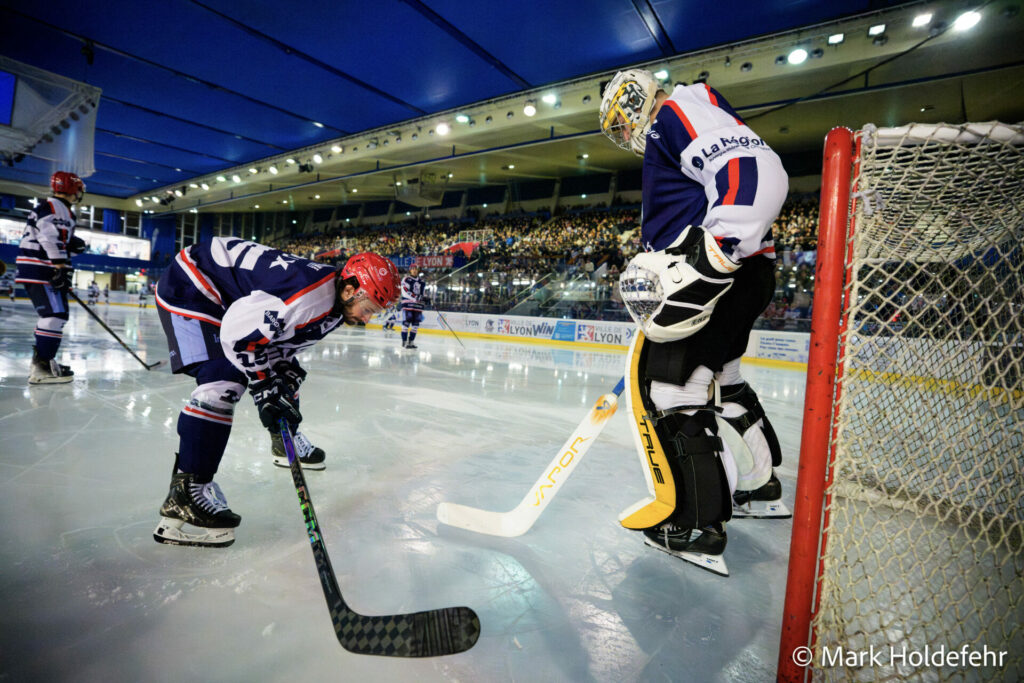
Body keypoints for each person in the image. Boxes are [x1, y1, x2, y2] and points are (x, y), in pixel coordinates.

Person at [599, 70, 789, 573]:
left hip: (715, 279)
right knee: (724, 382)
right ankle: (762, 485)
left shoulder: (675, 112)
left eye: (621, 123)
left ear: (635, 99)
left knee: (674, 395)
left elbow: (757, 170)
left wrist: (712, 257)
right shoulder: (693, 113)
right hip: (740, 274)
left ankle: (698, 525)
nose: (624, 137)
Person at [152, 237, 399, 547]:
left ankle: (285, 441)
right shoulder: (308, 298)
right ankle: (186, 494)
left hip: (225, 293)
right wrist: (262, 384)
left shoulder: (336, 305)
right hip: (192, 283)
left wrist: (275, 380)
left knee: (284, 376)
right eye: (369, 308)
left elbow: (277, 345)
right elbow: (237, 337)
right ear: (351, 289)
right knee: (223, 380)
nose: (367, 318)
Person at [15, 171, 88, 384]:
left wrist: (72, 249)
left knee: (57, 314)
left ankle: (45, 361)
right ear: (75, 190)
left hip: (39, 267)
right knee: (54, 315)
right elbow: (47, 236)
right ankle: (41, 367)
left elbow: (55, 239)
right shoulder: (58, 208)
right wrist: (60, 266)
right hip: (42, 268)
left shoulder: (55, 208)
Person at [399, 263, 428, 349]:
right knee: (406, 324)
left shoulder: (422, 282)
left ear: (418, 270)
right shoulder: (406, 279)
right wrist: (415, 297)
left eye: (416, 269)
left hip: (418, 306)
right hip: (408, 304)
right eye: (413, 269)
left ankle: (411, 342)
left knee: (415, 325)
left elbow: (422, 293)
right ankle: (404, 342)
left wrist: (425, 298)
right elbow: (404, 290)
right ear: (410, 270)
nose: (414, 270)